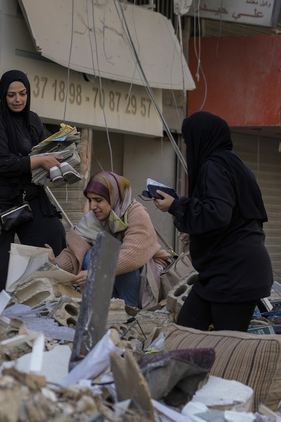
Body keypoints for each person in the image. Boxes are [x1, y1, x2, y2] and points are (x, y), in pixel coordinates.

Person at [153, 111, 272, 332]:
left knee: (225, 348)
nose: (189, 149)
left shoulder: (214, 166)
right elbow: (233, 217)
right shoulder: (235, 165)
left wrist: (176, 207)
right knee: (187, 334)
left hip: (234, 275)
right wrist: (194, 228)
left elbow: (218, 214)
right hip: (225, 273)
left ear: (201, 139)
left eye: (189, 142)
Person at [0, 70, 67, 300]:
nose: (18, 99)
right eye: (11, 95)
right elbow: (2, 163)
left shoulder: (33, 120)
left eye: (22, 94)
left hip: (26, 198)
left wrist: (58, 164)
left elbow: (40, 154)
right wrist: (41, 161)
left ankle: (47, 304)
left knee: (52, 234)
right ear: (3, 95)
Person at [52, 171, 170, 308]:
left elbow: (131, 255)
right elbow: (75, 251)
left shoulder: (136, 213)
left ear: (114, 197)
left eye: (98, 200)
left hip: (144, 276)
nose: (93, 206)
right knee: (92, 253)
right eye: (90, 200)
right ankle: (102, 308)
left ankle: (128, 309)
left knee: (111, 252)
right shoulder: (92, 219)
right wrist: (55, 265)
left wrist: (96, 273)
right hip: (110, 273)